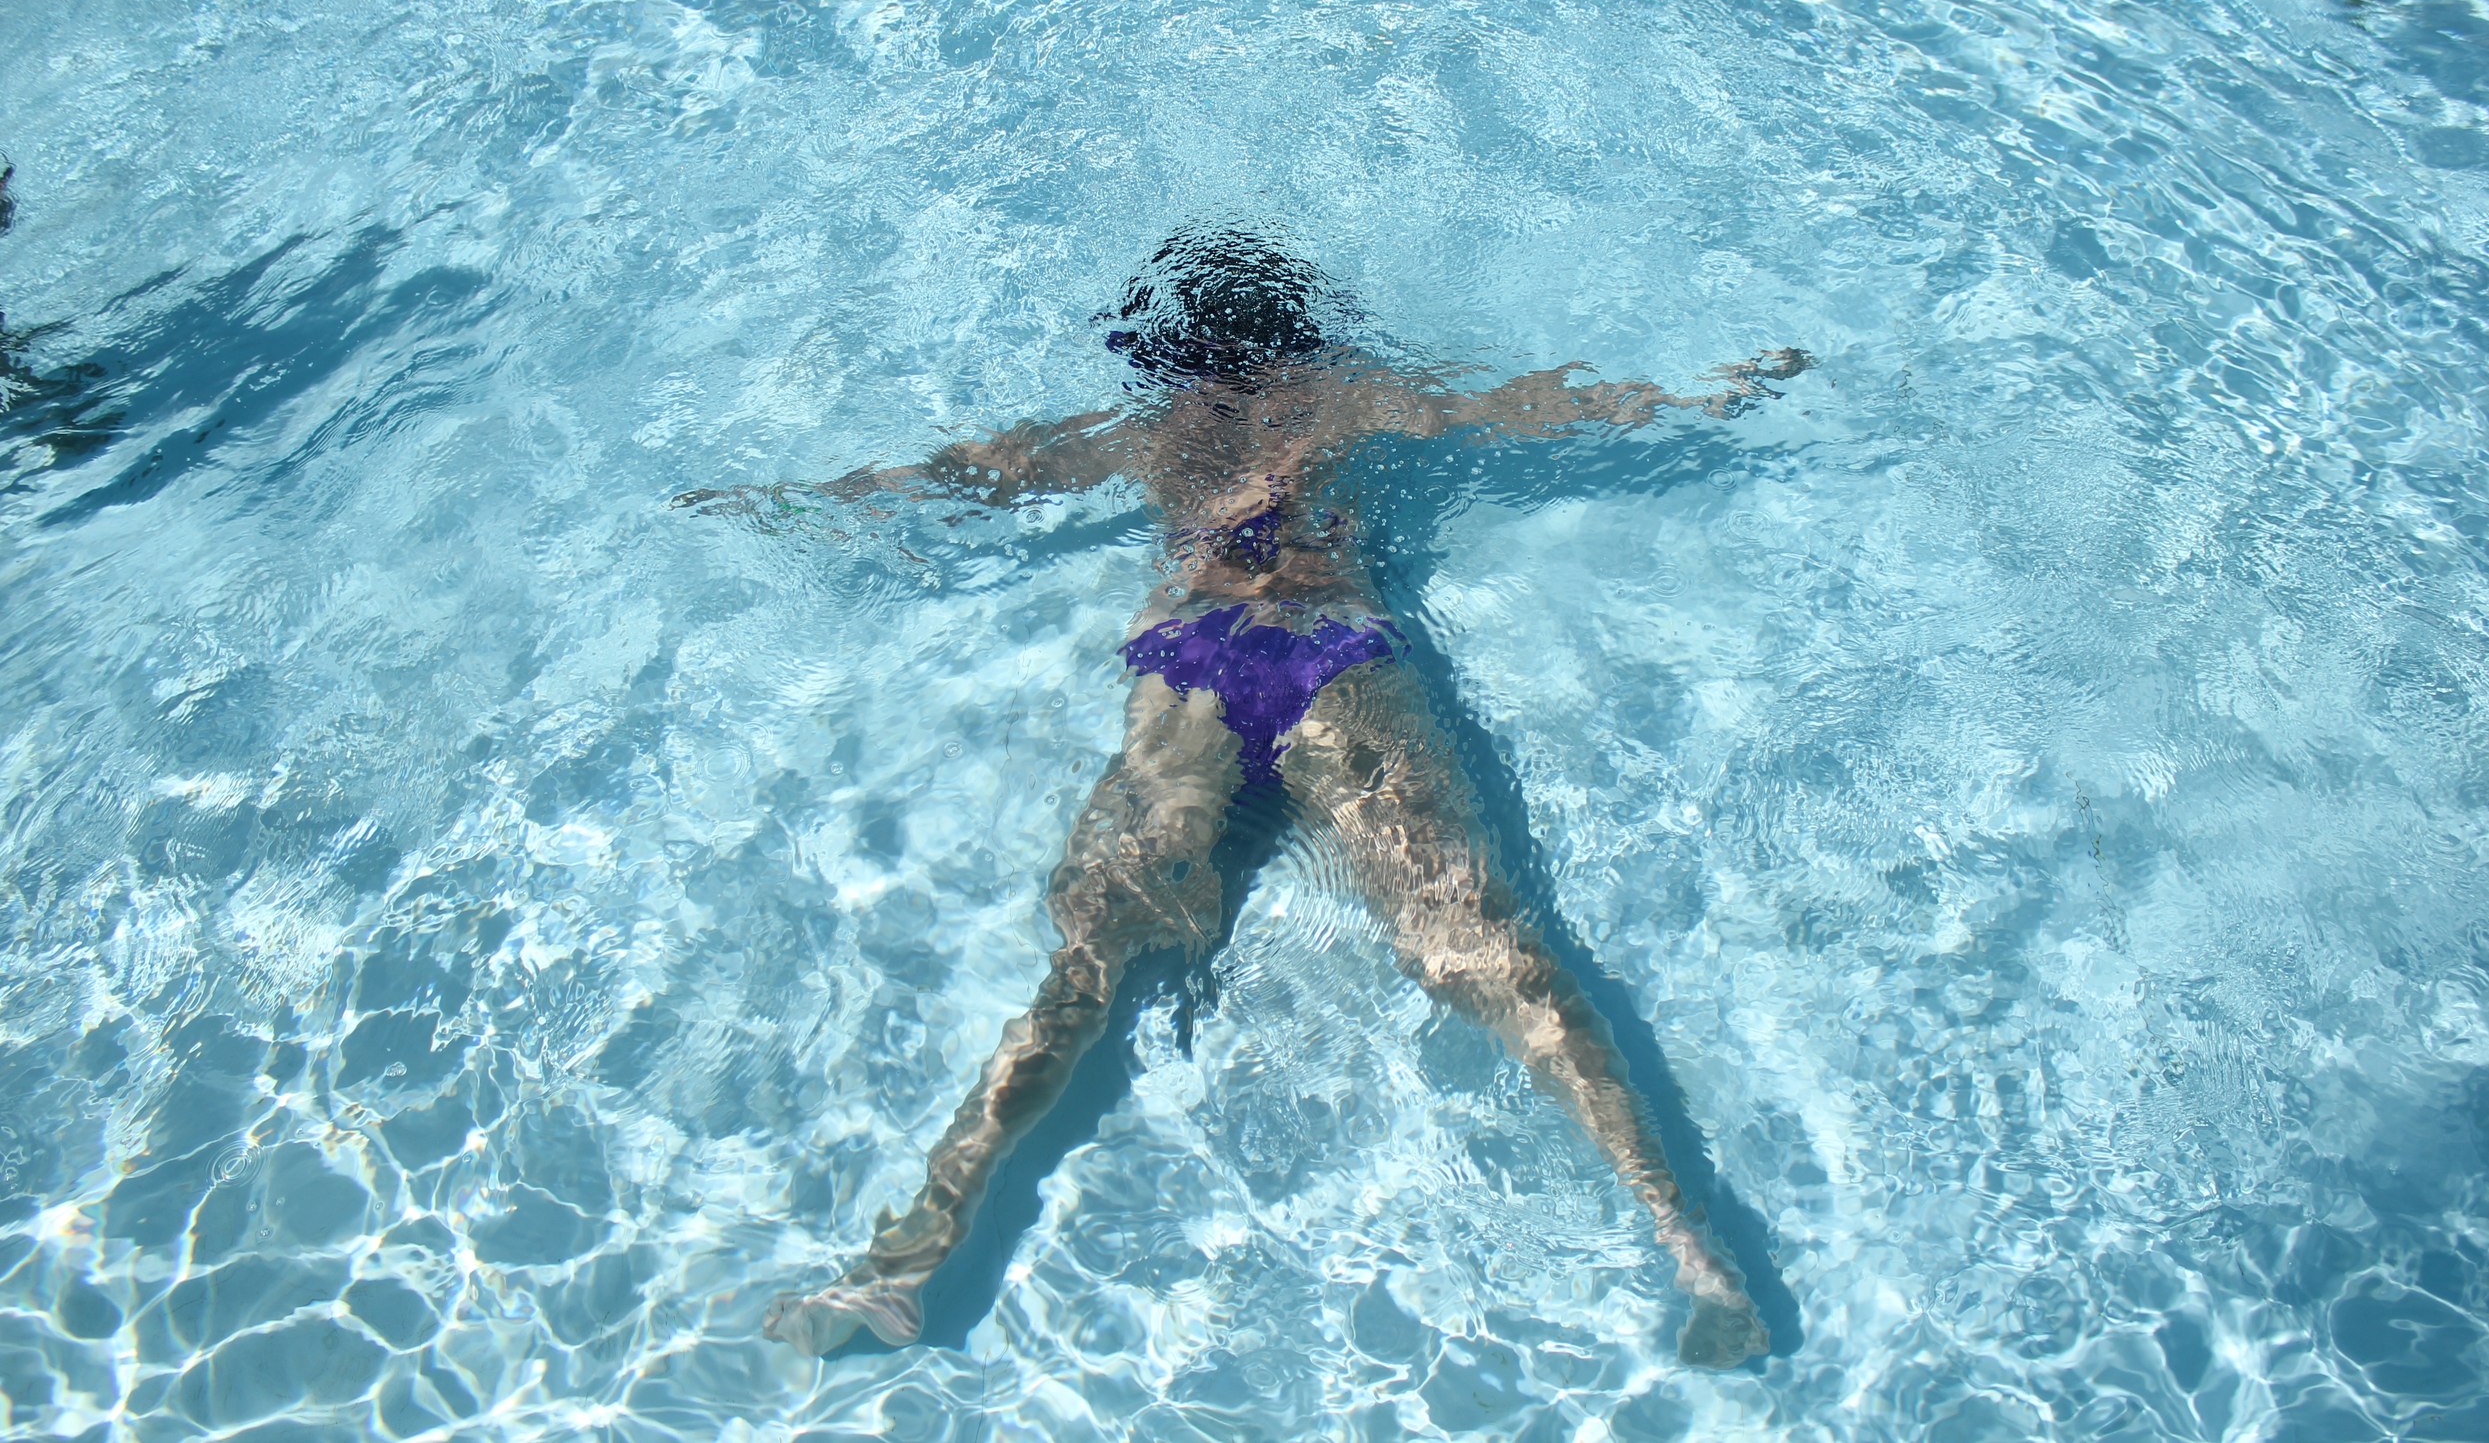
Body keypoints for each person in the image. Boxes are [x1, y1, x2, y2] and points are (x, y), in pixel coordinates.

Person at [682, 227, 1809, 1368]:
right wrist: (1699, 394)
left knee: (1087, 965)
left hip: (1190, 668)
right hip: (1333, 650)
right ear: (1299, 323)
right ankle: (1683, 1237)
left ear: (1171, 336)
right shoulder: (1350, 393)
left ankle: (906, 1262)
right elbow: (1528, 408)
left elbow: (972, 476)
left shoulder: (1140, 428)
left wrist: (795, 502)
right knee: (1480, 946)